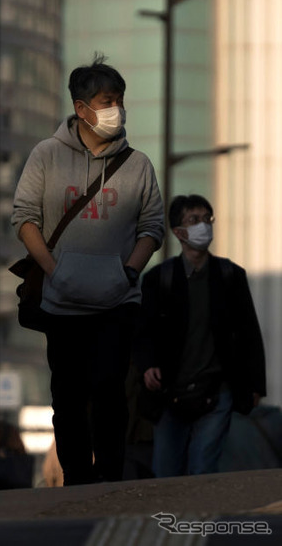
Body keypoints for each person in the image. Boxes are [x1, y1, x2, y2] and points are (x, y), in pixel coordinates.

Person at [11, 54, 165, 485]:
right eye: (106, 100)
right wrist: (52, 269)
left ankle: (109, 478)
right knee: (68, 397)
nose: (116, 108)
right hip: (62, 302)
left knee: (110, 391)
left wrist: (130, 273)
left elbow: (153, 226)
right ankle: (77, 479)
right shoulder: (46, 155)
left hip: (117, 301)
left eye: (119, 99)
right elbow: (24, 218)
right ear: (81, 109)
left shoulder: (137, 164)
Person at [136, 194, 266, 477]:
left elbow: (248, 333)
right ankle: (172, 522)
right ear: (178, 232)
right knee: (165, 473)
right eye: (194, 220)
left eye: (207, 219)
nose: (203, 226)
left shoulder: (231, 275)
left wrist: (255, 384)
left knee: (202, 470)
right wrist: (148, 366)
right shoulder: (159, 280)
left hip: (217, 391)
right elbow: (144, 332)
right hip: (170, 391)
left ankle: (200, 522)